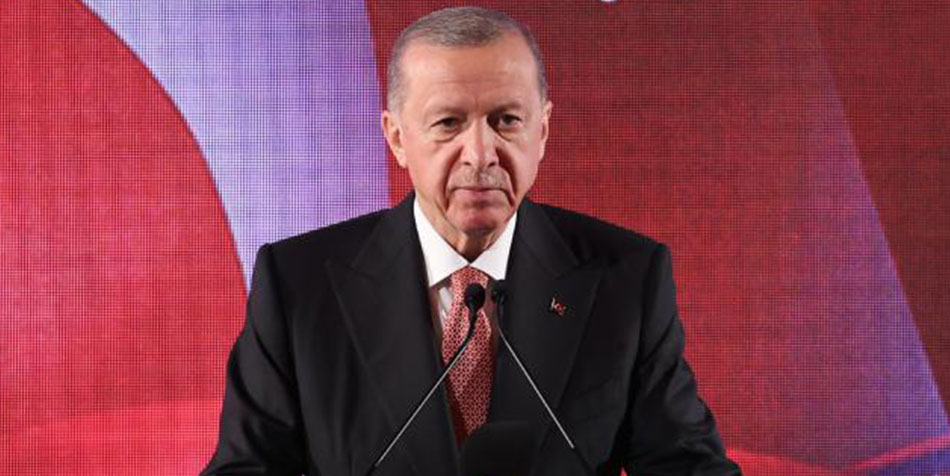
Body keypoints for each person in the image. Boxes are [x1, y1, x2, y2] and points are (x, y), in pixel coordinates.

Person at [201, 7, 741, 476]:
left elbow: (685, 466)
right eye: (448, 123)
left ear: (542, 131)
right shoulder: (300, 285)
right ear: (396, 137)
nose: (480, 154)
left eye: (506, 120)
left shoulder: (626, 278)